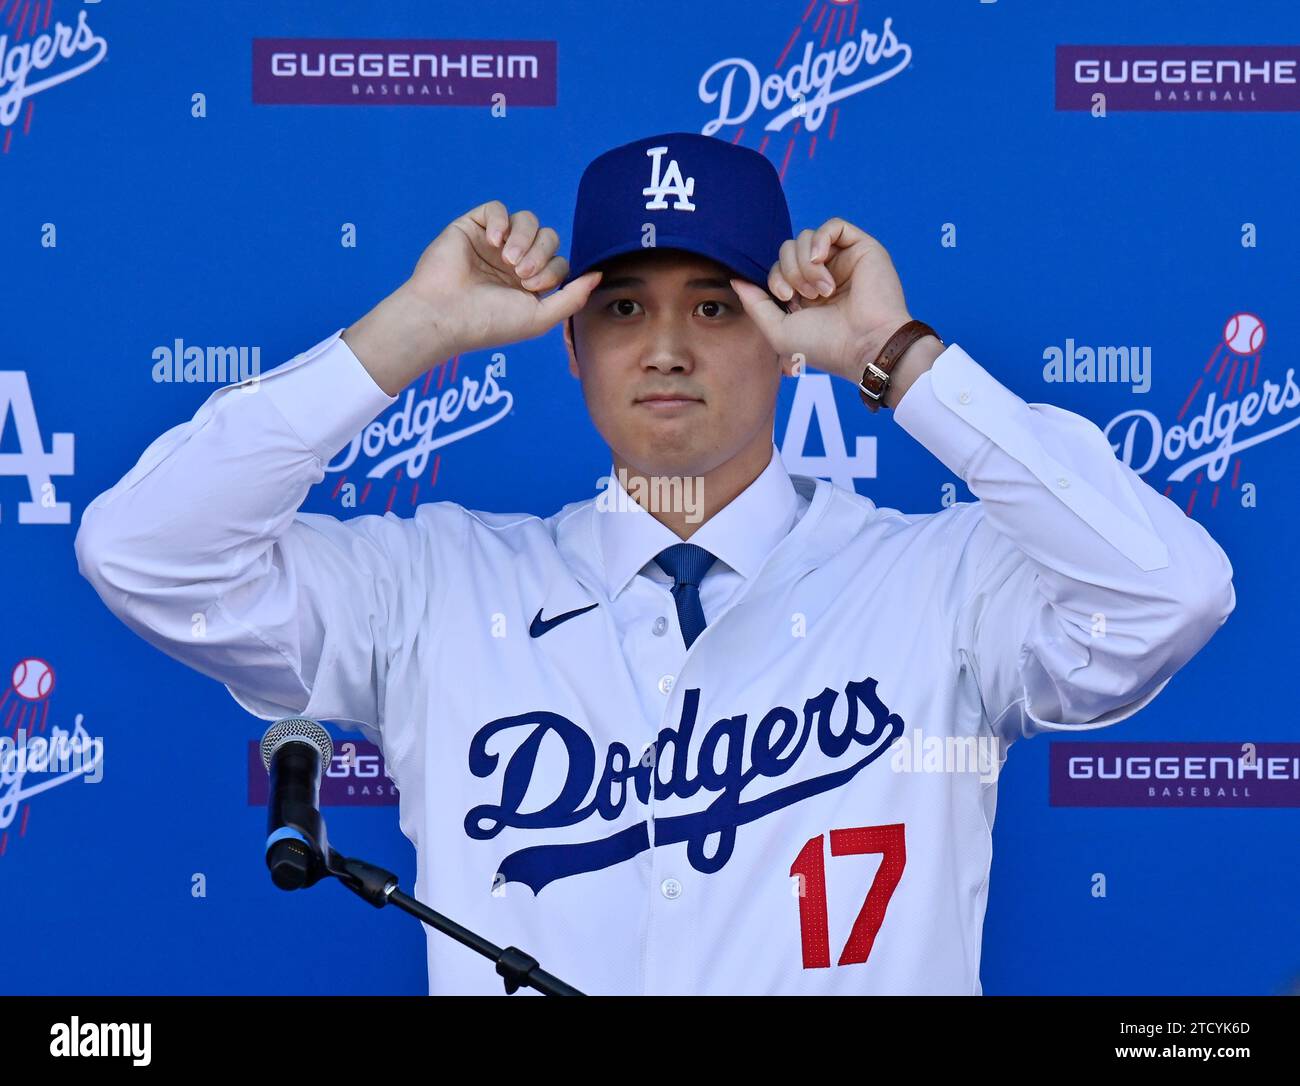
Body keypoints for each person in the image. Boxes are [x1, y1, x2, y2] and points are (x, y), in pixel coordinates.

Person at [74, 131, 1235, 995]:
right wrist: (412, 330)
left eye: (718, 308)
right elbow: (147, 554)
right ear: (567, 344)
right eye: (623, 307)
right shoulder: (433, 588)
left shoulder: (940, 585)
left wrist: (894, 354)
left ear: (789, 340)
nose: (668, 348)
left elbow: (1167, 592)